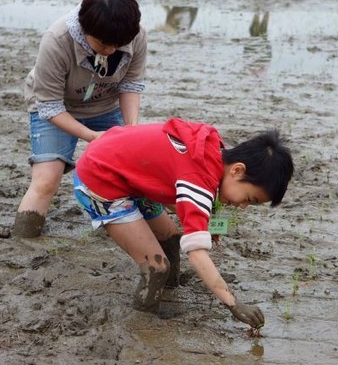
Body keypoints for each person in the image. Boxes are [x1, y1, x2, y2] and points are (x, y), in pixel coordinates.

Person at [73, 117, 294, 328]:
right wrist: (233, 304)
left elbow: (184, 198)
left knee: (171, 238)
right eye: (249, 198)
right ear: (237, 170)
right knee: (157, 267)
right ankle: (143, 321)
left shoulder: (210, 149)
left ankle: (169, 289)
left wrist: (204, 222)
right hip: (99, 178)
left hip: (122, 167)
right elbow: (196, 253)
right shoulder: (198, 180)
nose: (243, 206)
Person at [12, 0, 147, 238]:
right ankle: (23, 240)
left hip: (105, 104)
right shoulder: (57, 40)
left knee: (131, 172)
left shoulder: (136, 35)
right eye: (104, 44)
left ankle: (133, 230)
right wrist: (93, 136)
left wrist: (130, 130)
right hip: (57, 107)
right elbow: (49, 105)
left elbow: (131, 84)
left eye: (119, 45)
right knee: (46, 179)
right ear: (85, 30)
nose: (111, 50)